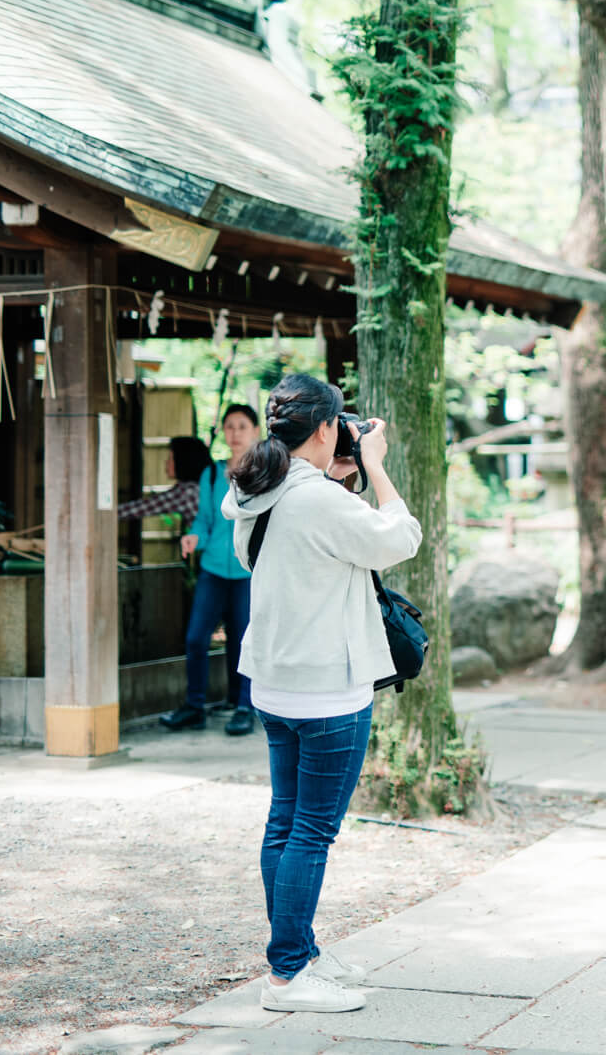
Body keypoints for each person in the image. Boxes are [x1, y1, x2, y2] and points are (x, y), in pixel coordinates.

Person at [223, 374, 421, 1014]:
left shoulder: (255, 488)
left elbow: (285, 556)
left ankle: (299, 952)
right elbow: (401, 538)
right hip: (328, 690)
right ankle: (285, 977)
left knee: (284, 821)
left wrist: (339, 473)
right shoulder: (319, 500)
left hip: (275, 683)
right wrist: (376, 468)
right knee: (310, 831)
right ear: (328, 427)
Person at [160, 405, 262, 734]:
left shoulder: (265, 471)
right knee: (195, 638)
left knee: (243, 641)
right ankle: (194, 706)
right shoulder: (212, 474)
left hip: (248, 572)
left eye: (242, 426)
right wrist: (194, 536)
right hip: (213, 569)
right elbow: (204, 520)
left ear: (256, 431)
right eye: (229, 426)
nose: (235, 432)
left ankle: (244, 706)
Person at [118, 435, 211, 530]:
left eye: (171, 457)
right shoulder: (205, 487)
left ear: (183, 461)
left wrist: (108, 511)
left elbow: (141, 508)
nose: (166, 462)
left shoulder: (187, 492)